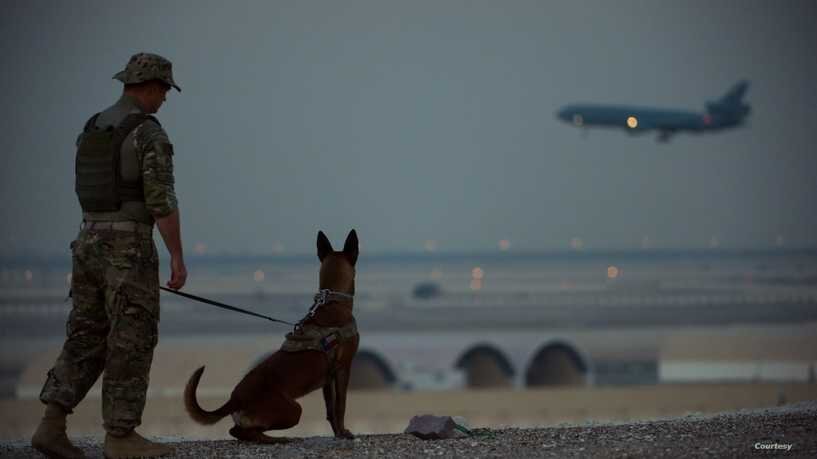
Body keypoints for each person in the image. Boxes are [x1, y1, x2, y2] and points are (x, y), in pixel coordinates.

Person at [31, 52, 187, 459]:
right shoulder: (148, 133)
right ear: (151, 87)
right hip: (127, 247)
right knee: (131, 339)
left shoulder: (93, 127)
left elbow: (87, 189)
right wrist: (176, 257)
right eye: (165, 91)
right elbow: (161, 200)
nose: (165, 100)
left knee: (86, 336)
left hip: (87, 241)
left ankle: (51, 425)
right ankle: (121, 435)